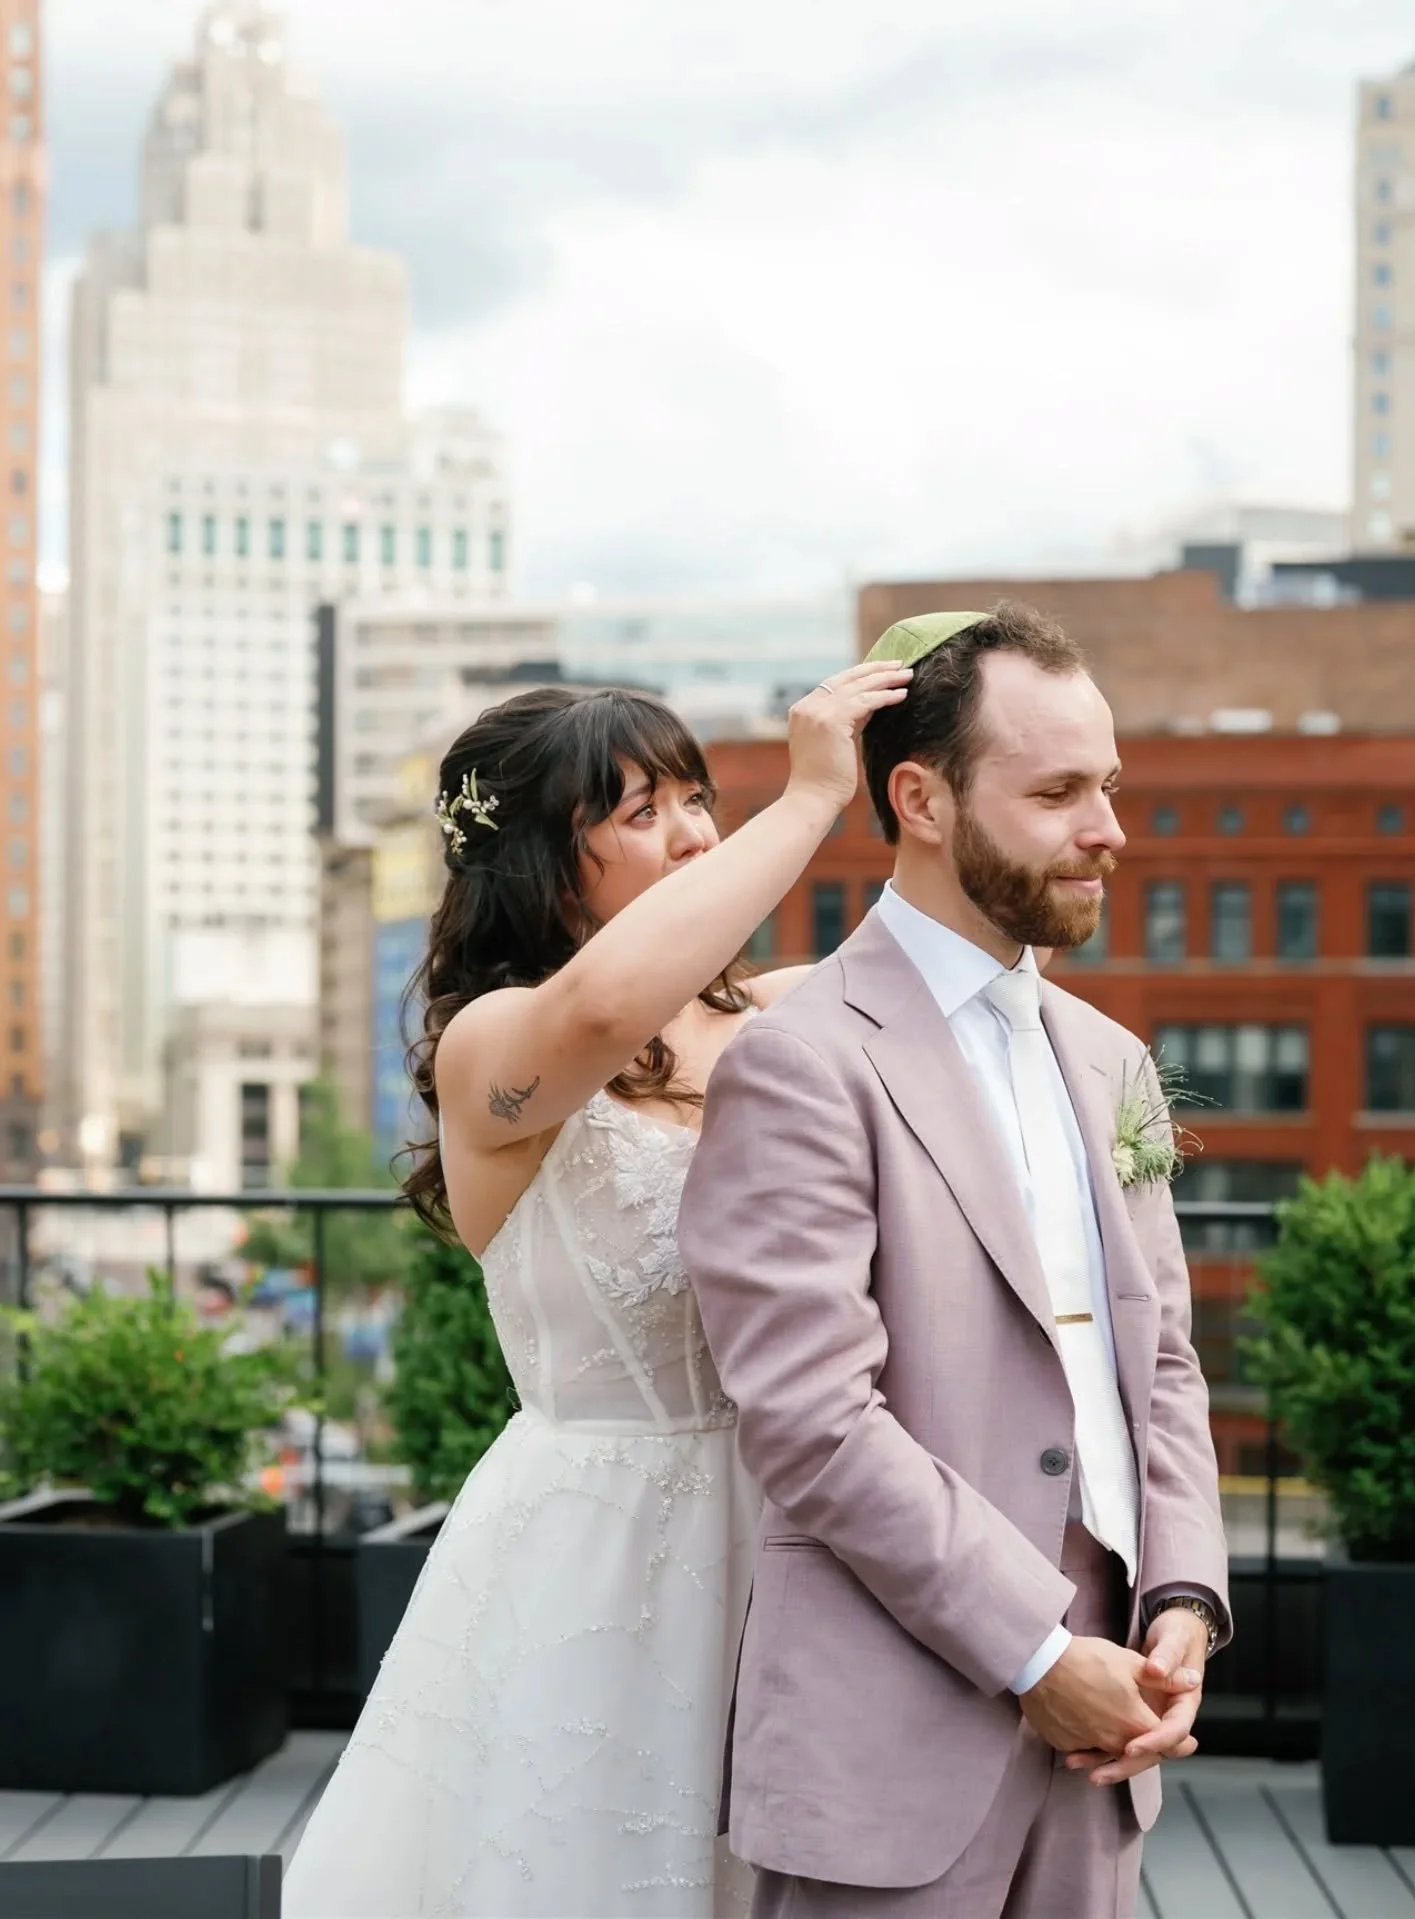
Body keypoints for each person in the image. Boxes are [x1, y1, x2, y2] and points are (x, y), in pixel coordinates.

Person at [282, 661, 912, 1919]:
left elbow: (948, 963)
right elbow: (604, 1005)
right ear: (539, 863)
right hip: (598, 1547)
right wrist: (806, 803)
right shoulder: (495, 1047)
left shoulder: (780, 1018)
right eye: (640, 812)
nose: (692, 831)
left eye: (698, 799)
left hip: (804, 1521)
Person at [677, 604, 1231, 1919]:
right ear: (919, 798)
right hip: (892, 1738)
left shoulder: (1110, 1061)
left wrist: (1187, 1597)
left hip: (1112, 1734)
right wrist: (1038, 1650)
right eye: (1055, 792)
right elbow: (810, 1418)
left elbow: (1159, 1359)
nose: (1109, 828)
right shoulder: (801, 1060)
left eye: (1108, 785)